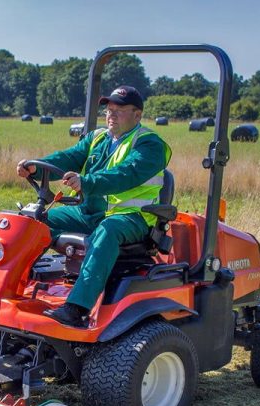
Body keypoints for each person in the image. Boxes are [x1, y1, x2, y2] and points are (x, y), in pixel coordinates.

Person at [17, 85, 172, 327]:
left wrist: (86, 182)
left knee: (107, 230)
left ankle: (77, 309)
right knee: (33, 220)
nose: (111, 114)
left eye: (119, 110)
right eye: (109, 110)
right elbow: (69, 157)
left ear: (137, 115)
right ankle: (12, 286)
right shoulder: (98, 137)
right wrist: (37, 167)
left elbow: (125, 175)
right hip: (90, 212)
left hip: (131, 218)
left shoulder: (150, 145)